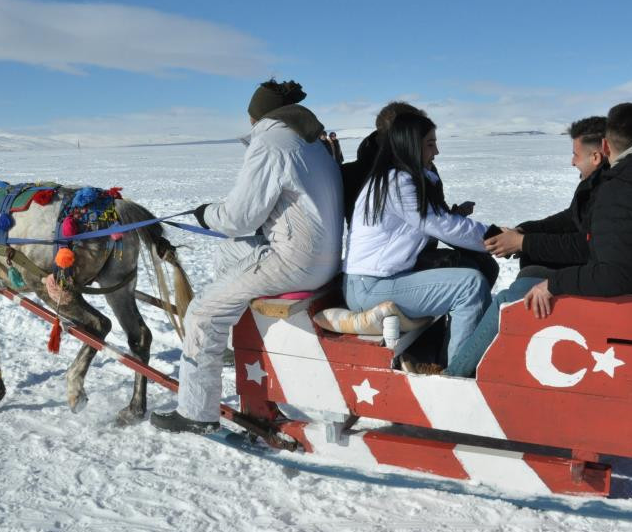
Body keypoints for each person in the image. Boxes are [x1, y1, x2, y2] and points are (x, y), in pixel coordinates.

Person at [448, 102, 632, 377]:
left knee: (507, 300)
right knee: (530, 271)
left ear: (605, 147)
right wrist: (525, 234)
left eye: (575, 154)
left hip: (626, 303)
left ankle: (452, 375)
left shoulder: (620, 192)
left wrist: (552, 281)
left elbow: (612, 272)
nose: (572, 161)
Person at [151, 79, 343, 434]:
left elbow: (240, 217)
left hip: (294, 261)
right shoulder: (311, 142)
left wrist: (206, 214)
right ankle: (231, 343)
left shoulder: (271, 143)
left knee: (202, 313)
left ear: (258, 116)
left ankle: (196, 412)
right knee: (228, 252)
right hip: (325, 258)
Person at [343, 112, 493, 374]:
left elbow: (439, 221)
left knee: (470, 274)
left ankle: (444, 360)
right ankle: (456, 375)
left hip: (384, 278)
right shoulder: (398, 183)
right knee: (470, 285)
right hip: (370, 285)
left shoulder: (402, 178)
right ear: (410, 145)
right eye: (430, 144)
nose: (437, 151)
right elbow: (440, 224)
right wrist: (497, 237)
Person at [485, 116, 607, 272]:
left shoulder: (611, 191)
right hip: (589, 264)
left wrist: (523, 242)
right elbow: (572, 218)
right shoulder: (592, 182)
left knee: (532, 261)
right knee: (531, 257)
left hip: (599, 272)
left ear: (595, 157)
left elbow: (590, 247)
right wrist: (523, 231)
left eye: (576, 155)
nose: (572, 162)